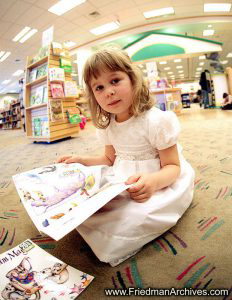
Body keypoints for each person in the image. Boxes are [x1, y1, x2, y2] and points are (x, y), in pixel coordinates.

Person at [57, 48, 195, 266]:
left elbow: (172, 166)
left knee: (133, 218)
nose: (108, 92)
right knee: (85, 205)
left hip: (156, 179)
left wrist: (153, 182)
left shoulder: (156, 121)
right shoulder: (108, 126)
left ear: (132, 80)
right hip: (122, 178)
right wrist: (82, 159)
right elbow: (109, 160)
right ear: (93, 95)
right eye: (99, 87)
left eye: (115, 81)